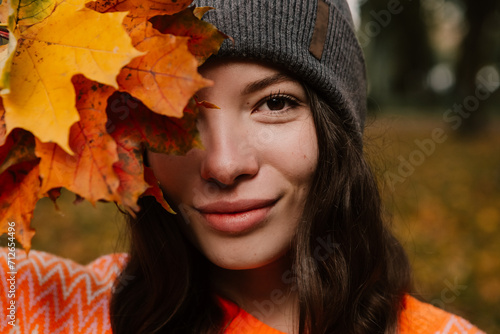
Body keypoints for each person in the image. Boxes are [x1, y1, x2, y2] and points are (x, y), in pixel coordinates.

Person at [0, 0, 485, 333]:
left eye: (274, 103)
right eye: (179, 114)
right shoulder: (50, 307)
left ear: (335, 129)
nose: (225, 164)